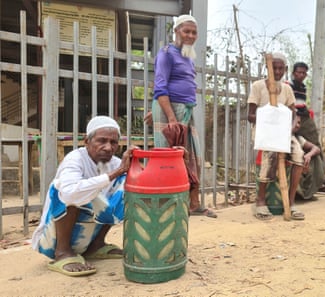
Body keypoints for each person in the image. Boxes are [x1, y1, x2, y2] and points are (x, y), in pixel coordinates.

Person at [31, 116, 136, 277]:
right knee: (65, 189)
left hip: (87, 239)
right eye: (102, 141)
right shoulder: (75, 159)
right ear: (86, 141)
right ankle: (63, 253)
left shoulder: (115, 162)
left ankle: (96, 246)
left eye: (113, 142)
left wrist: (136, 163)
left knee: (129, 182)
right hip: (52, 241)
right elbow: (69, 193)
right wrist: (116, 173)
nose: (108, 147)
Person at [144, 15, 216, 218]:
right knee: (169, 159)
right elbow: (160, 87)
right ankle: (167, 206)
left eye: (194, 32)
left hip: (185, 110)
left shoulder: (187, 55)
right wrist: (169, 117)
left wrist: (159, 110)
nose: (190, 35)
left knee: (193, 157)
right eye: (186, 31)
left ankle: (194, 204)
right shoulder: (166, 54)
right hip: (172, 112)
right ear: (176, 31)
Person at [247, 52, 306, 220]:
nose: (278, 71)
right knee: (269, 154)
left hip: (284, 134)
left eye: (281, 68)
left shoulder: (287, 89)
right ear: (268, 67)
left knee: (299, 156)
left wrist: (293, 125)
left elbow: (294, 114)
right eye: (274, 68)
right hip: (265, 134)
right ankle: (260, 202)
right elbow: (250, 115)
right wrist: (268, 118)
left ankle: (292, 202)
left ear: (286, 69)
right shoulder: (258, 86)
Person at [287, 62, 325, 194]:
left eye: (304, 73)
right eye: (299, 72)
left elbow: (301, 104)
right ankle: (319, 178)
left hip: (304, 118)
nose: (301, 75)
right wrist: (295, 119)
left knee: (315, 145)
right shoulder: (288, 85)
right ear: (293, 73)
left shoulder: (302, 87)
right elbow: (291, 105)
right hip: (296, 119)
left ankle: (321, 176)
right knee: (303, 148)